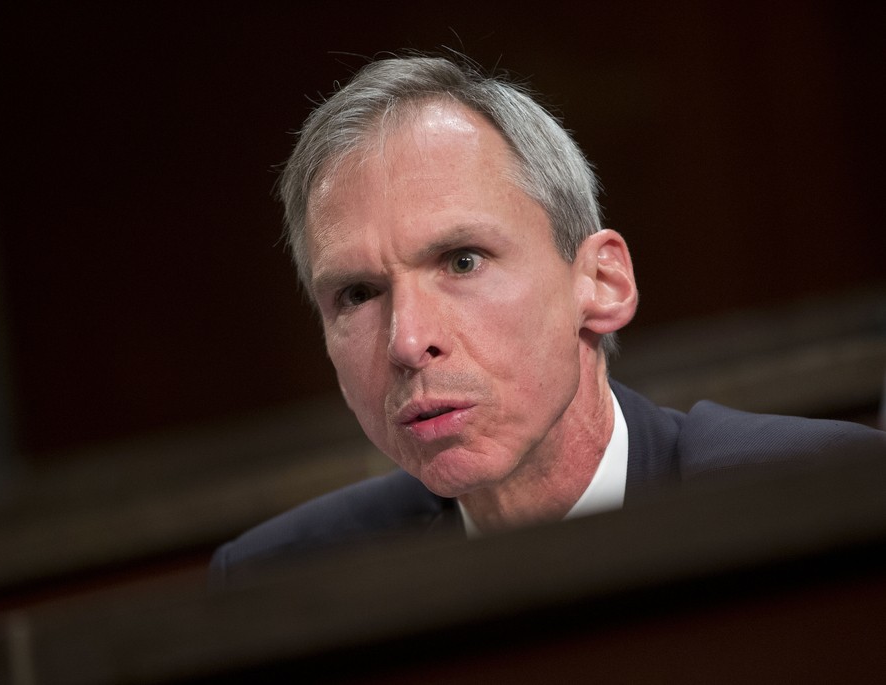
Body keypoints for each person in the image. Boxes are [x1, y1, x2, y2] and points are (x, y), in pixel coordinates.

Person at [209, 54, 885, 587]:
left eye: (462, 260)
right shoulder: (282, 581)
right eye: (357, 293)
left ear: (600, 282)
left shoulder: (823, 495)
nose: (408, 341)